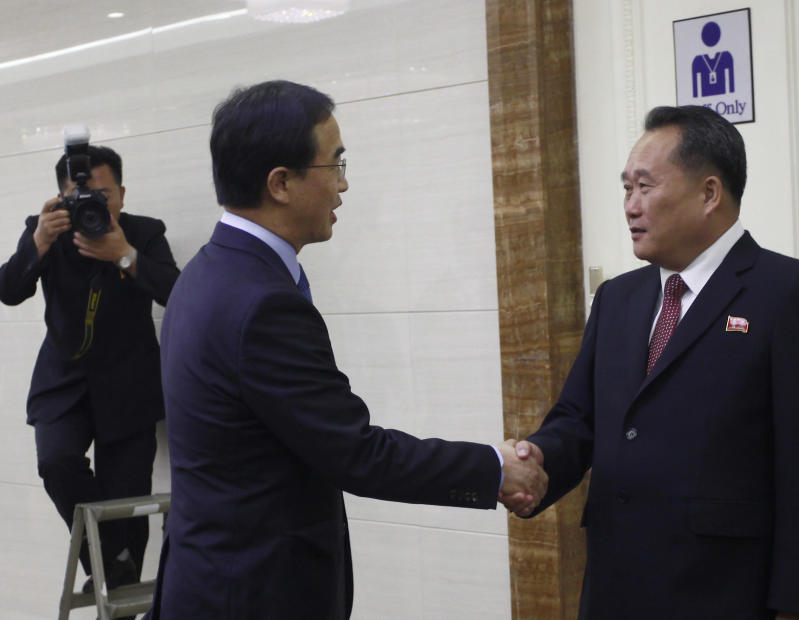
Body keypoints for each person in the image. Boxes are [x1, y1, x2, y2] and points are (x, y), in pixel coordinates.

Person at [147, 80, 546, 620]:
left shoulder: (204, 274)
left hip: (211, 581)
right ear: (281, 183)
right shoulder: (260, 302)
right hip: (252, 595)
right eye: (334, 164)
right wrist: (494, 468)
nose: (344, 184)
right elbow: (356, 455)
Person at [505, 105, 799, 620]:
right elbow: (579, 420)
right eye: (626, 188)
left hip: (724, 594)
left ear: (709, 193)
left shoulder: (792, 295)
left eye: (645, 187)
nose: (630, 206)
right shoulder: (617, 299)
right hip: (615, 591)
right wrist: (536, 463)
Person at [0, 145, 180, 593]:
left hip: (129, 382)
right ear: (62, 199)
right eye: (83, 197)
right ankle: (104, 565)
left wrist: (125, 254)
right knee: (57, 462)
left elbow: (177, 293)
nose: (96, 205)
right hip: (62, 379)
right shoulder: (47, 232)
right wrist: (39, 241)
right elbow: (8, 290)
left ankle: (118, 580)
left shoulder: (143, 232)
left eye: (105, 194)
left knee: (127, 496)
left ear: (121, 192)